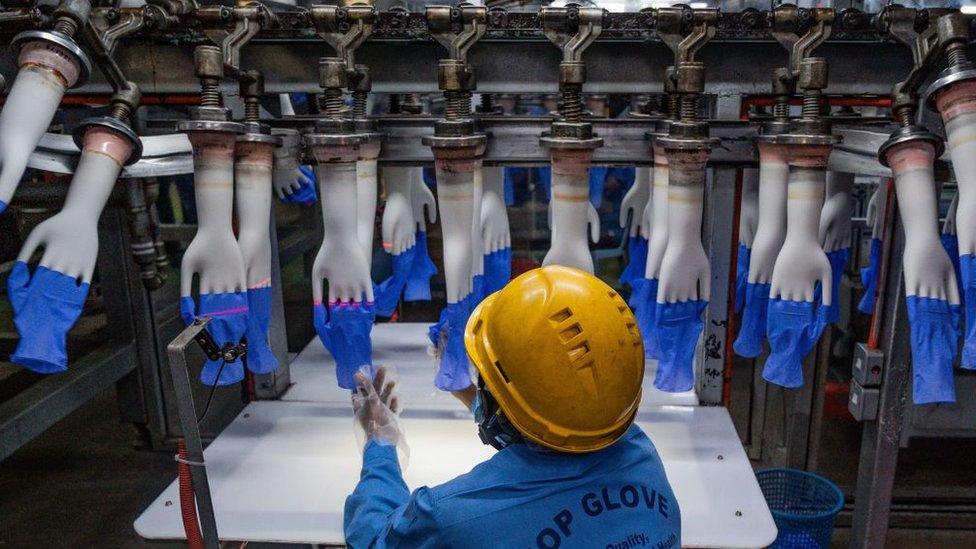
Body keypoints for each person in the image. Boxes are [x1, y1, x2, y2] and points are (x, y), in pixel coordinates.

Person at [344, 265, 681, 548]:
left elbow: (373, 537)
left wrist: (380, 444)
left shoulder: (450, 519)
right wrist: (477, 396)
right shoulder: (642, 454)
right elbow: (559, 430)